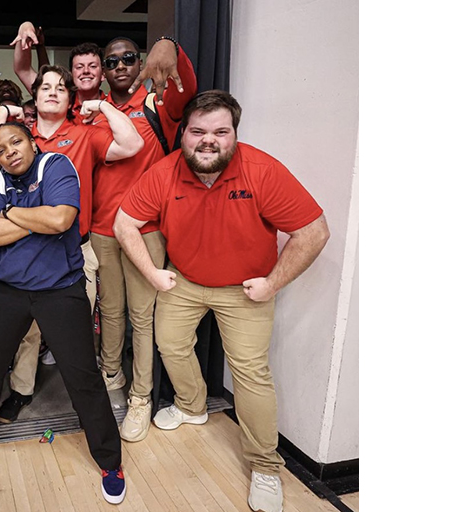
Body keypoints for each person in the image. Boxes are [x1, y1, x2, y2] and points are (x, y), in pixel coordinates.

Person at [113, 90, 330, 512]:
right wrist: (154, 273)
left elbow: (314, 231)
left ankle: (265, 466)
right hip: (187, 282)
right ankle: (191, 406)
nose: (208, 140)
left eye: (220, 132)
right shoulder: (165, 172)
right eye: (197, 131)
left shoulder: (263, 171)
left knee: (250, 372)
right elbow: (125, 223)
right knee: (171, 344)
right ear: (183, 135)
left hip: (244, 291)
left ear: (234, 135)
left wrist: (272, 284)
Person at [0, 122, 126, 505]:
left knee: (82, 375)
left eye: (16, 142)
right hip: (6, 290)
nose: (10, 151)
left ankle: (110, 461)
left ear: (32, 142)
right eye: (0, 149)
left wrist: (12, 213)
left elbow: (62, 220)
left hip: (58, 290)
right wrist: (35, 215)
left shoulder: (56, 165)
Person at [0, 65, 143, 423]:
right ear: (34, 99)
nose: (52, 92)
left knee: (76, 337)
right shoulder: (18, 137)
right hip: (21, 254)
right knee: (25, 335)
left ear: (70, 99)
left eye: (60, 88)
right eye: (44, 87)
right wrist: (4, 112)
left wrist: (101, 107)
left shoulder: (83, 134)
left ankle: (85, 405)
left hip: (73, 248)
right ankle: (22, 391)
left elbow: (132, 145)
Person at [89, 35, 197, 443]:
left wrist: (170, 46)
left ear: (140, 64)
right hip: (102, 229)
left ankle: (140, 398)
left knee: (142, 318)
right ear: (103, 69)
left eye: (129, 58)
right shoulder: (95, 113)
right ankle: (111, 372)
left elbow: (185, 85)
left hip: (146, 231)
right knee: (111, 311)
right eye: (111, 60)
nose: (120, 65)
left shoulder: (156, 104)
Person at [12, 22, 105, 122]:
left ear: (103, 74)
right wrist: (25, 27)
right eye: (79, 67)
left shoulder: (112, 105)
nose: (86, 71)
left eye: (92, 66)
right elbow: (23, 70)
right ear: (71, 74)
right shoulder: (59, 99)